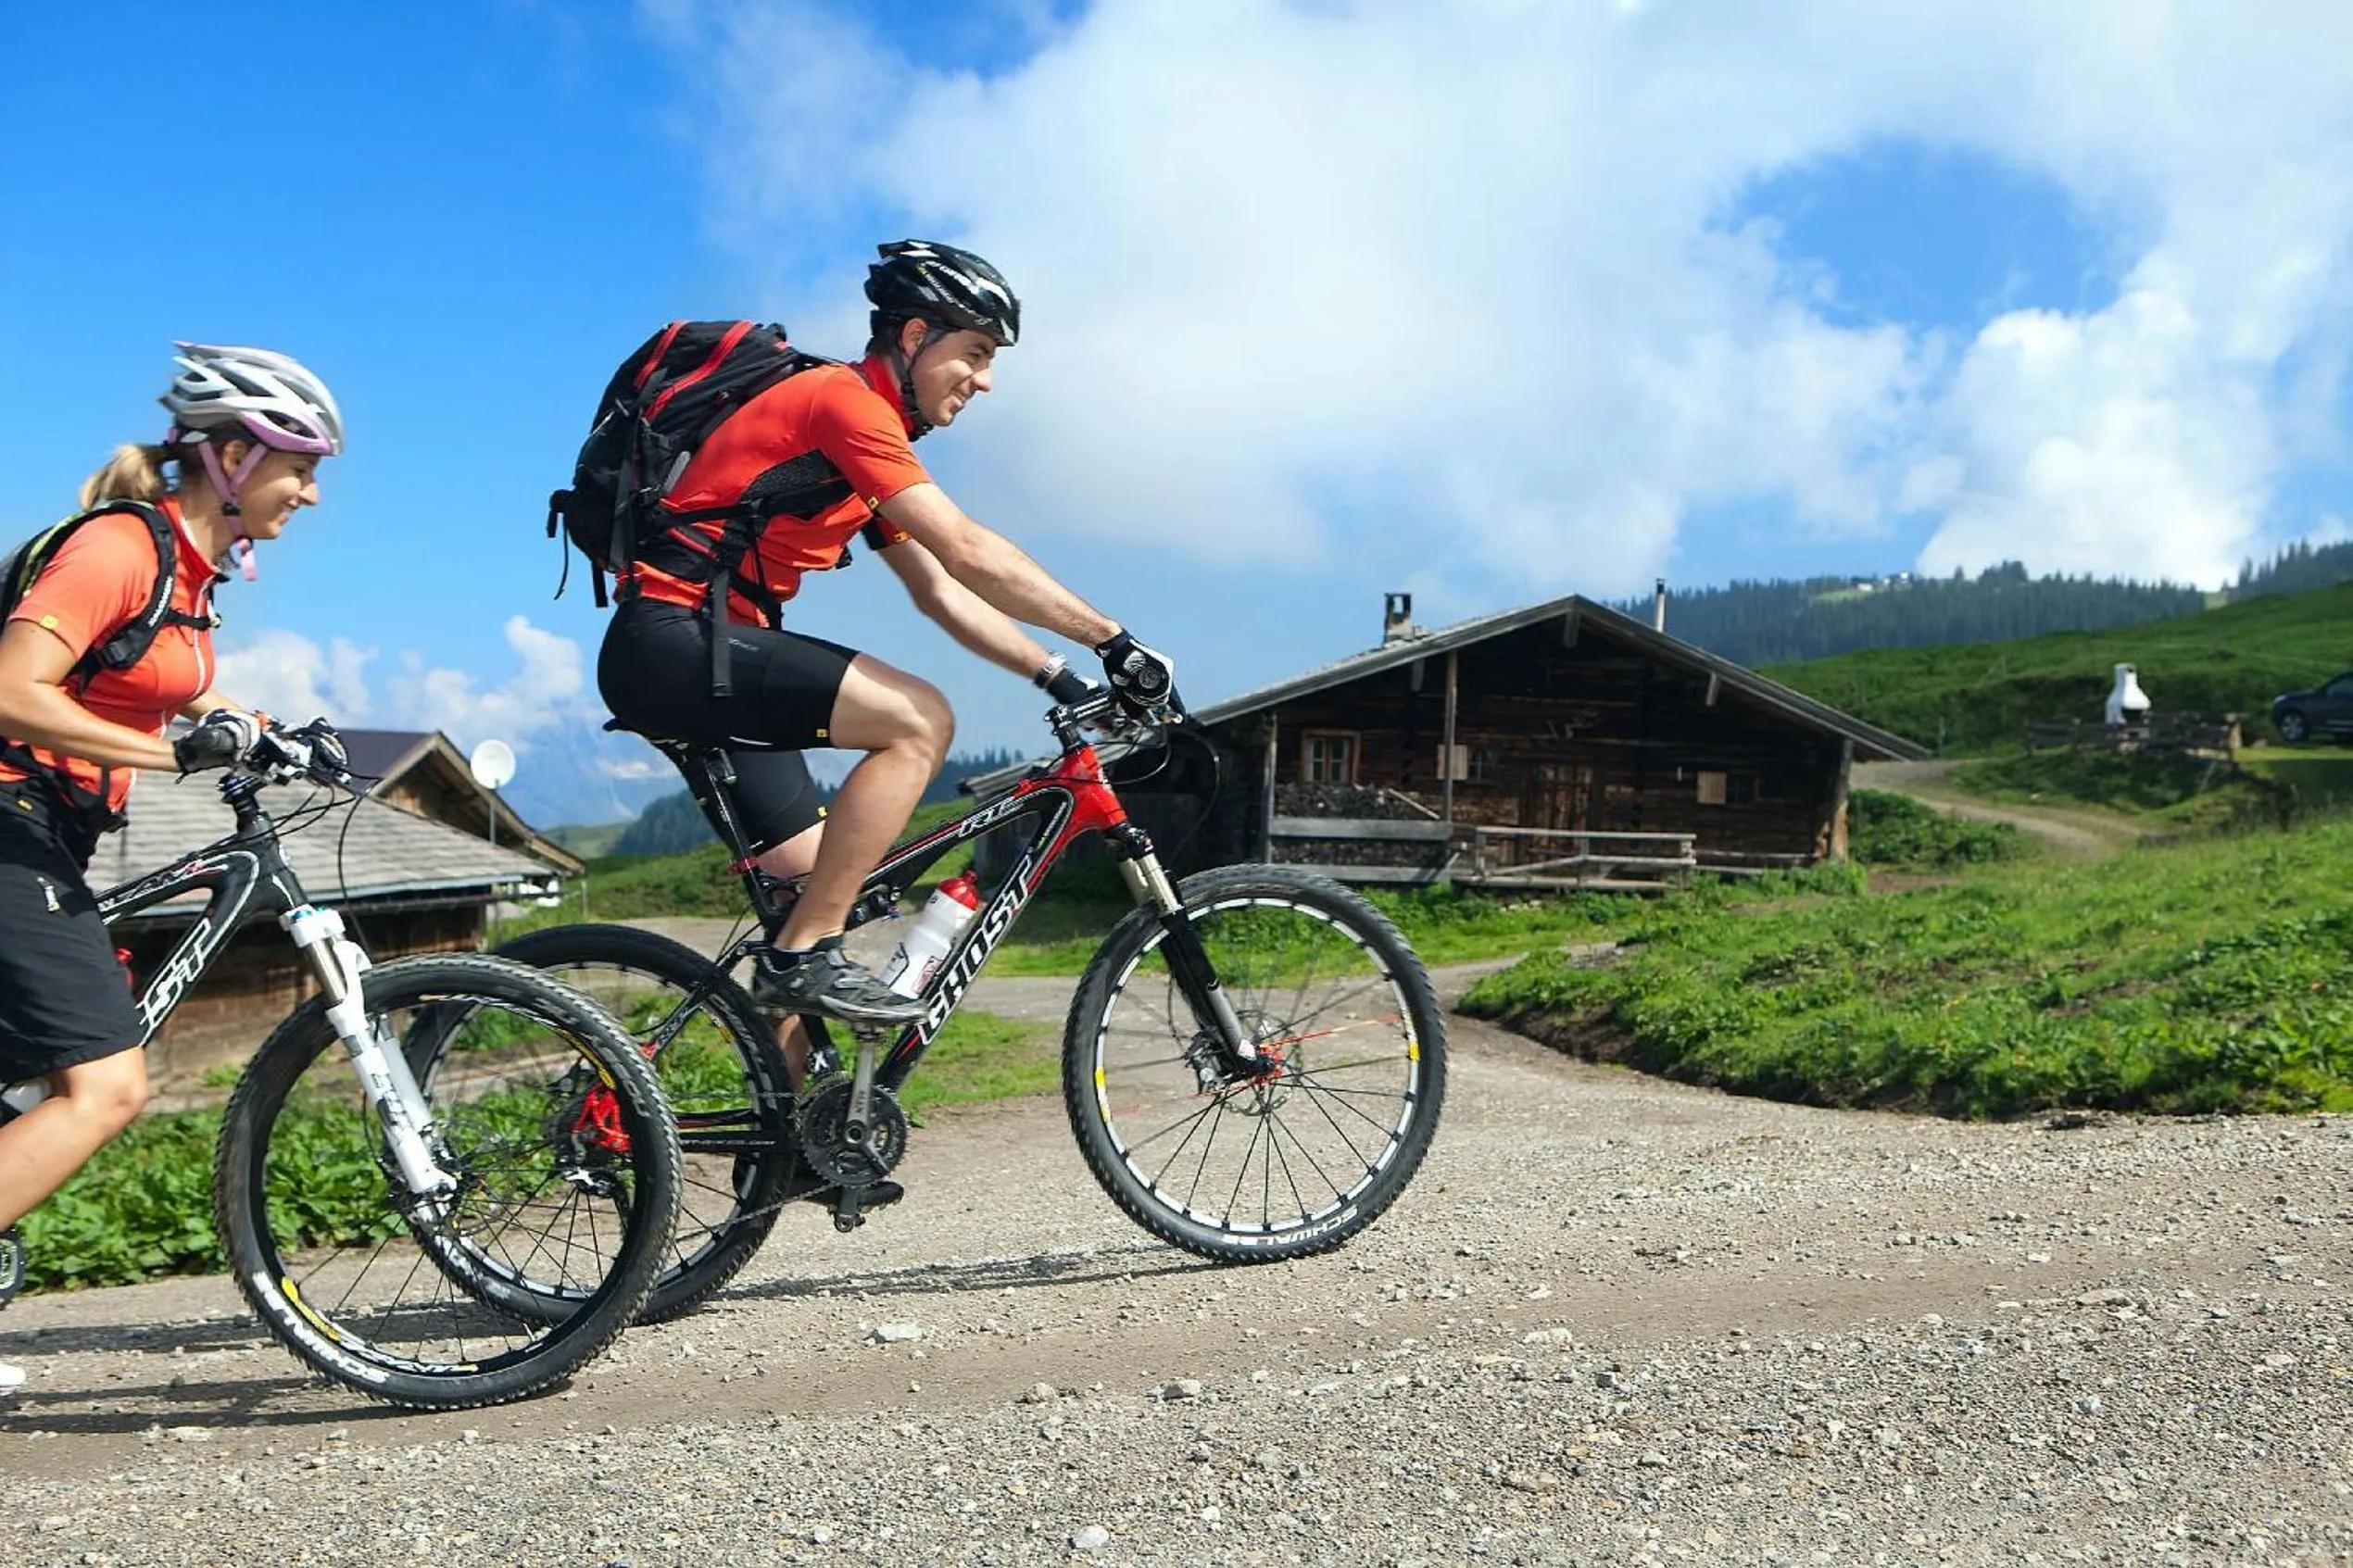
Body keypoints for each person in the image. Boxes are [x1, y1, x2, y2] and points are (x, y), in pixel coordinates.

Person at [598, 240, 1180, 1038]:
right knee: (920, 721)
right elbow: (967, 549)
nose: (986, 380)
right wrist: (1116, 642)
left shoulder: (859, 437)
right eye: (974, 353)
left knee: (811, 902)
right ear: (913, 338)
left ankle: (793, 1154)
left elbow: (941, 592)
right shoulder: (843, 404)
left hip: (708, 652)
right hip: (677, 639)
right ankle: (802, 955)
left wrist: (1060, 675)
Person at [0, 344, 344, 1394]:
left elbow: (167, 682)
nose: (314, 492)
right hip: (7, 816)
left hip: (49, 832)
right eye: (301, 465)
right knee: (104, 1087)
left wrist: (269, 733)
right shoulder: (117, 547)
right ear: (234, 456)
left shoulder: (187, 575)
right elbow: (13, 687)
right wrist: (173, 750)